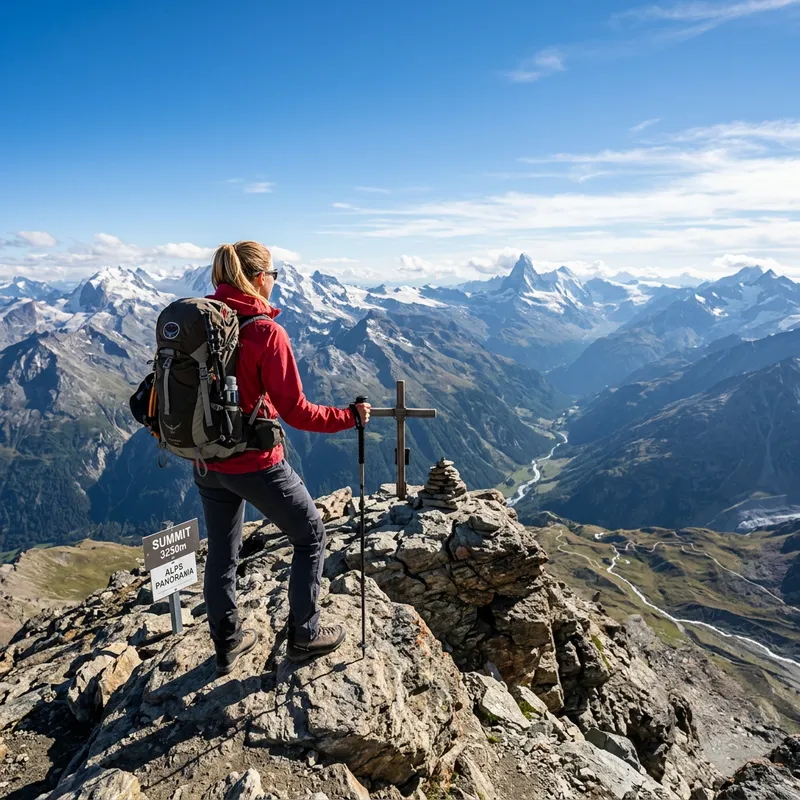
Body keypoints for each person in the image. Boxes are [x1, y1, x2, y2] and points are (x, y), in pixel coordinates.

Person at [195, 240, 370, 676]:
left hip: (205, 460)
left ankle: (228, 641)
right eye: (273, 275)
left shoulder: (203, 321)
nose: (274, 283)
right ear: (258, 278)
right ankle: (304, 634)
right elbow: (297, 411)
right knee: (310, 534)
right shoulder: (264, 331)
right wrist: (349, 417)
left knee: (222, 551)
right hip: (255, 464)